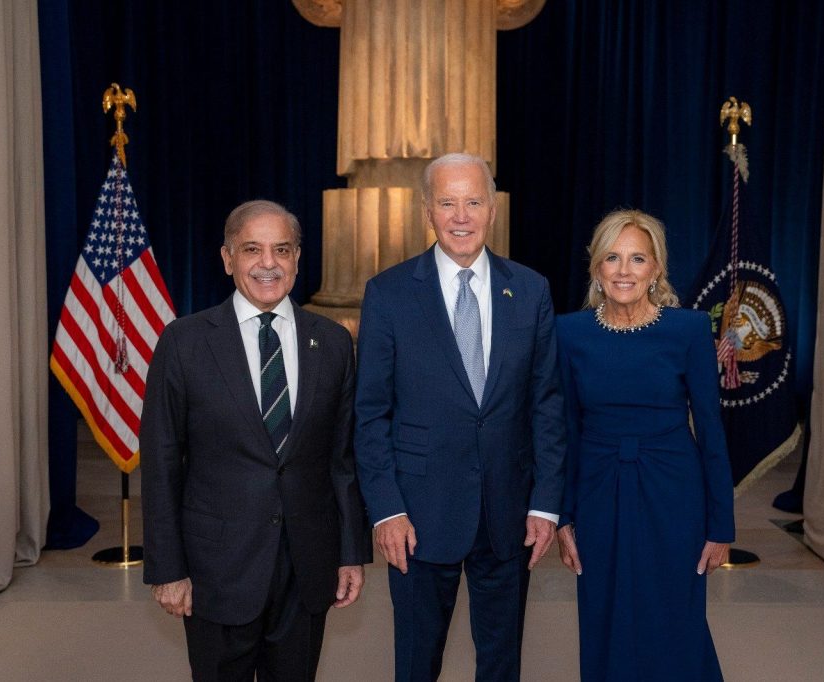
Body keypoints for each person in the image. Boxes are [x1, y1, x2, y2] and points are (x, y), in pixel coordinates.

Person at [354, 152, 565, 681]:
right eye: (447, 202)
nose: (461, 216)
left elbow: (547, 405)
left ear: (493, 210)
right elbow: (371, 414)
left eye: (473, 201)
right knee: (416, 663)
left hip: (509, 514)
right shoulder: (389, 293)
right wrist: (385, 510)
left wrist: (545, 504)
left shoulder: (532, 290)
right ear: (427, 211)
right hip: (418, 517)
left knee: (502, 663)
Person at [141, 200, 371, 681]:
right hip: (216, 568)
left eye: (281, 250)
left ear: (297, 258)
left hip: (307, 564)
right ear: (227, 259)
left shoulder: (331, 343)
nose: (268, 263)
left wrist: (351, 552)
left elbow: (342, 460)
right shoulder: (184, 343)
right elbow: (162, 461)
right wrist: (166, 567)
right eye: (252, 249)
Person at [555, 209, 735, 681]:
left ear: (656, 268)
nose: (623, 271)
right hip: (598, 492)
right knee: (604, 614)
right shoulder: (569, 333)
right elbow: (567, 432)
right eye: (612, 258)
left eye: (637, 259)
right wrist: (564, 516)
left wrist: (721, 525)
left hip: (674, 492)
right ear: (596, 267)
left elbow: (711, 431)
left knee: (674, 617)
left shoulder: (689, 329)